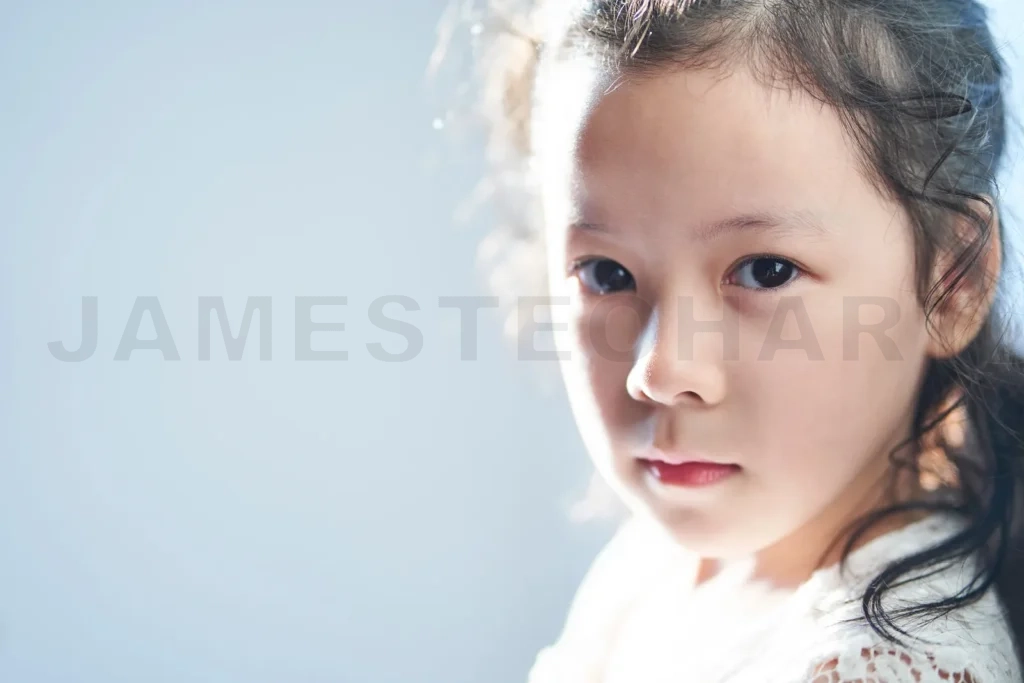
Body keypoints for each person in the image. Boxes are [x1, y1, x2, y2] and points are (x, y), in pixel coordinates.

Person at [451, 0, 1024, 680]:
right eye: (607, 273)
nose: (660, 370)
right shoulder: (660, 570)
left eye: (765, 271)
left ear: (949, 284)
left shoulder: (884, 660)